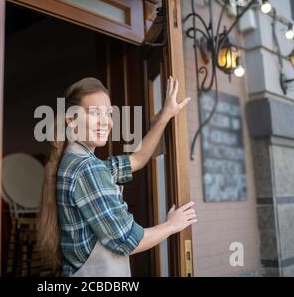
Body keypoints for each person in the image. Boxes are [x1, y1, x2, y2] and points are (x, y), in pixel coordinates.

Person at [37, 76, 196, 277]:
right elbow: (127, 240)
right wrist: (172, 225)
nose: (105, 122)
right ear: (71, 119)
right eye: (95, 113)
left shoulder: (76, 161)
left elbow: (136, 159)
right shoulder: (87, 169)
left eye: (109, 114)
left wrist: (164, 117)